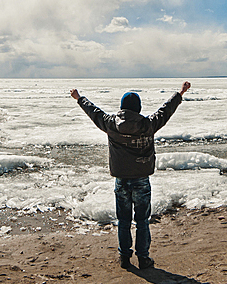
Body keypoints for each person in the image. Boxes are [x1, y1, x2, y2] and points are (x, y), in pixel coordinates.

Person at [70, 81, 191, 270]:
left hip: (121, 180)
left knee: (124, 220)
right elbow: (166, 110)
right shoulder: (148, 124)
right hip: (142, 180)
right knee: (142, 220)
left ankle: (125, 257)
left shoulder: (111, 124)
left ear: (122, 107)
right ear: (138, 108)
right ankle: (143, 258)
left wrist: (79, 99)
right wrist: (180, 93)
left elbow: (94, 112)